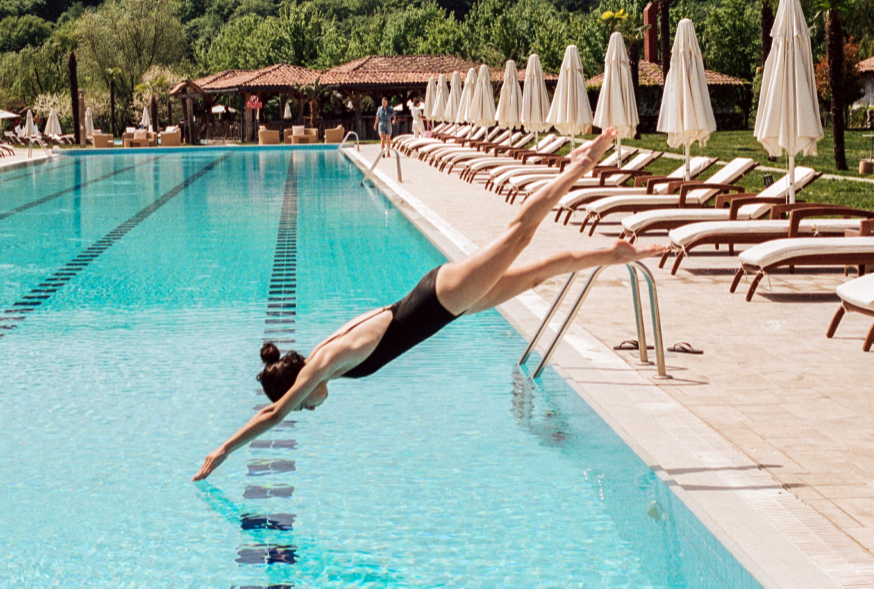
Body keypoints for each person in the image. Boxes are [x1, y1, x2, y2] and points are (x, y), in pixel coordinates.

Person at [193, 129, 664, 481]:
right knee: (537, 271)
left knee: (518, 234)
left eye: (303, 407)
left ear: (298, 386)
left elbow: (271, 415)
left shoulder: (322, 365)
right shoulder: (324, 363)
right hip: (446, 305)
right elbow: (277, 409)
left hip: (440, 296)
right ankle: (616, 253)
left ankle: (578, 166)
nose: (310, 409)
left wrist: (224, 451)